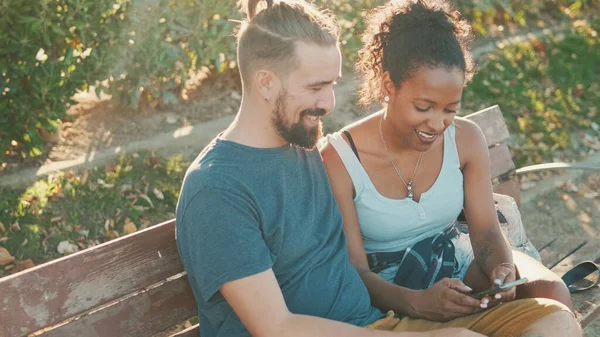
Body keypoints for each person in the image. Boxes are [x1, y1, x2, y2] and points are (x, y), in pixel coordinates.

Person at [175, 0, 580, 336]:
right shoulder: (218, 189)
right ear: (265, 83)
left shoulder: (301, 150)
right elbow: (276, 326)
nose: (331, 103)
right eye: (316, 87)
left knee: (555, 323)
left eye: (333, 84)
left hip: (377, 323)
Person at [320, 0, 578, 327]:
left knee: (554, 292)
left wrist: (502, 268)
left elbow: (485, 232)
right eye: (424, 106)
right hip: (392, 288)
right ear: (389, 87)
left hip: (459, 259)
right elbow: (354, 270)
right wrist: (417, 303)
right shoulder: (340, 159)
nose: (438, 124)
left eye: (450, 109)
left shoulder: (466, 138)